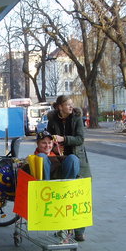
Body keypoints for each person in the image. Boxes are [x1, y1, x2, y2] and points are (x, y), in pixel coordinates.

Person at [46, 94, 91, 241]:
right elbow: (48, 136)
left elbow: (80, 139)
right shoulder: (53, 119)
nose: (71, 107)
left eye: (71, 104)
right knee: (62, 194)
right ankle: (62, 227)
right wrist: (49, 142)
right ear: (60, 107)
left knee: (79, 194)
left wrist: (63, 139)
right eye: (67, 104)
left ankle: (79, 232)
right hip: (60, 160)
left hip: (77, 159)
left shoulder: (77, 118)